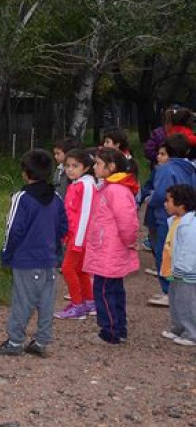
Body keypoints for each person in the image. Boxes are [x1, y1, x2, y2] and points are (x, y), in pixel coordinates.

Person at [0, 149, 67, 358]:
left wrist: (6, 254)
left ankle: (15, 341)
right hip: (49, 259)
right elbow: (63, 227)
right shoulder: (57, 198)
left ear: (26, 173)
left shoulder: (21, 198)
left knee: (22, 300)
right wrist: (56, 252)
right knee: (46, 301)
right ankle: (41, 341)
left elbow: (13, 229)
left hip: (25, 259)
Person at [83, 147, 140, 344]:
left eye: (98, 163)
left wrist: (129, 241)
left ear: (111, 166)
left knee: (105, 292)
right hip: (107, 250)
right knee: (113, 291)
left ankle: (111, 332)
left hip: (110, 251)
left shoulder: (116, 190)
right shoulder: (110, 187)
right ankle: (118, 329)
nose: (95, 167)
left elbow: (127, 221)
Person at [146, 134, 196, 306]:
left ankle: (169, 290)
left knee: (164, 252)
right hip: (187, 214)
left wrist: (150, 200)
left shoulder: (166, 169)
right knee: (181, 251)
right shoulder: (191, 167)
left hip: (166, 217)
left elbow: (160, 194)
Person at [55, 148, 98, 320]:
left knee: (67, 268)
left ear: (86, 168)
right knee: (80, 270)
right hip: (74, 235)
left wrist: (78, 240)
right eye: (67, 166)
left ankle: (78, 305)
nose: (70, 169)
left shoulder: (86, 185)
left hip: (80, 238)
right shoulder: (77, 184)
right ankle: (89, 302)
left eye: (75, 166)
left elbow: (86, 213)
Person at [161, 184, 196, 347]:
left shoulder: (190, 225)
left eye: (168, 201)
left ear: (181, 204)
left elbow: (189, 250)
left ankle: (192, 333)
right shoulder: (177, 221)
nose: (165, 204)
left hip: (187, 272)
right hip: (176, 270)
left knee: (187, 302)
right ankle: (178, 327)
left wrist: (181, 268)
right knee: (175, 299)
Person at [101, 128, 140, 196]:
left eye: (107, 142)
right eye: (104, 142)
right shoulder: (112, 158)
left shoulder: (126, 162)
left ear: (117, 144)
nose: (104, 145)